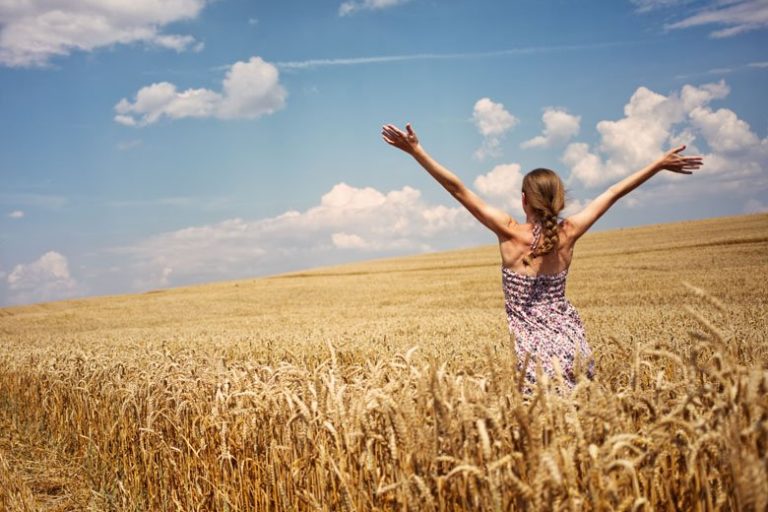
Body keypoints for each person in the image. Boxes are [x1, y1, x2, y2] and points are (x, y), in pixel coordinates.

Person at [381, 123, 703, 390]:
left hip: (533, 359)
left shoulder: (510, 233)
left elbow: (458, 189)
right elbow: (613, 192)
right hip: (574, 348)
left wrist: (417, 152)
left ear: (524, 200)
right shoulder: (570, 232)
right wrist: (658, 164)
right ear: (559, 200)